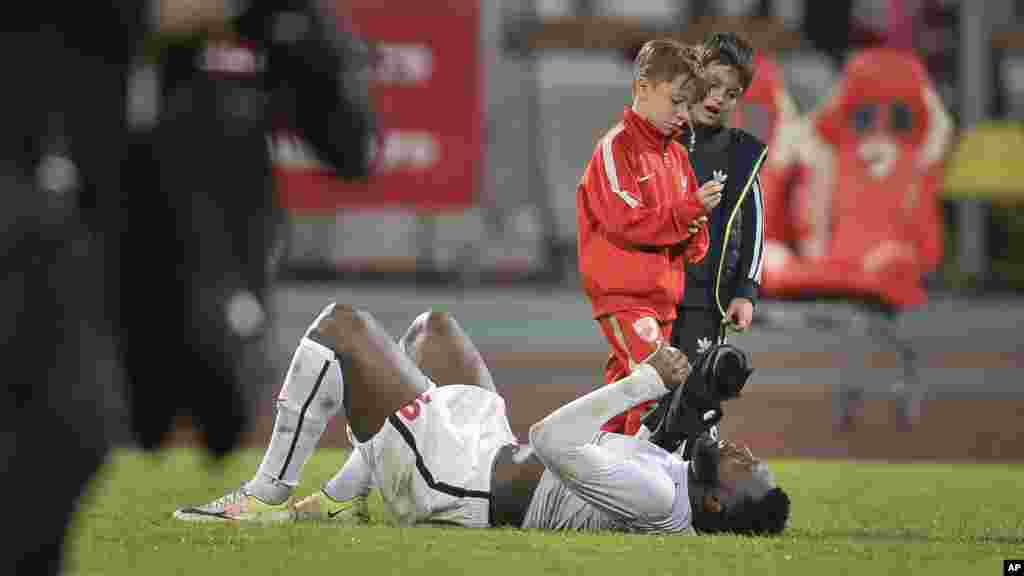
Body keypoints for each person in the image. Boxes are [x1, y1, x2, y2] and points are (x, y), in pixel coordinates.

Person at [0, 2, 374, 574]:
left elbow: (350, 145)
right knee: (65, 429)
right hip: (57, 262)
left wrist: (290, 31)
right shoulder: (57, 39)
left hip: (185, 286)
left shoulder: (259, 31)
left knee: (159, 416)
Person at [173, 303, 790, 535]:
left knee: (340, 328)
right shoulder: (679, 477)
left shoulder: (659, 496)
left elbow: (550, 438)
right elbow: (661, 438)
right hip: (487, 449)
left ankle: (263, 495)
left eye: (750, 473)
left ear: (717, 506)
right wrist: (692, 390)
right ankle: (341, 496)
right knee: (433, 328)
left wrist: (646, 380)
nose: (749, 455)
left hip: (456, 484)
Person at [576, 38, 725, 436]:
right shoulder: (615, 148)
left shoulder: (675, 157)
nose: (682, 115)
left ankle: (588, 464)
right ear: (642, 87)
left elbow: (691, 233)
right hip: (624, 296)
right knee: (657, 382)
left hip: (662, 300)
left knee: (623, 393)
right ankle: (639, 484)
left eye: (687, 105)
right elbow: (626, 219)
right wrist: (690, 211)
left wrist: (697, 233)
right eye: (675, 101)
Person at [642, 34, 767, 456]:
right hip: (650, 296)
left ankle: (696, 475)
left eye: (731, 93)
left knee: (699, 390)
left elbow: (754, 227)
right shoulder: (657, 142)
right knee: (646, 388)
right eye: (712, 85)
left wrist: (746, 292)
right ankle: (637, 471)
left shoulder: (740, 155)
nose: (719, 99)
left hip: (704, 298)